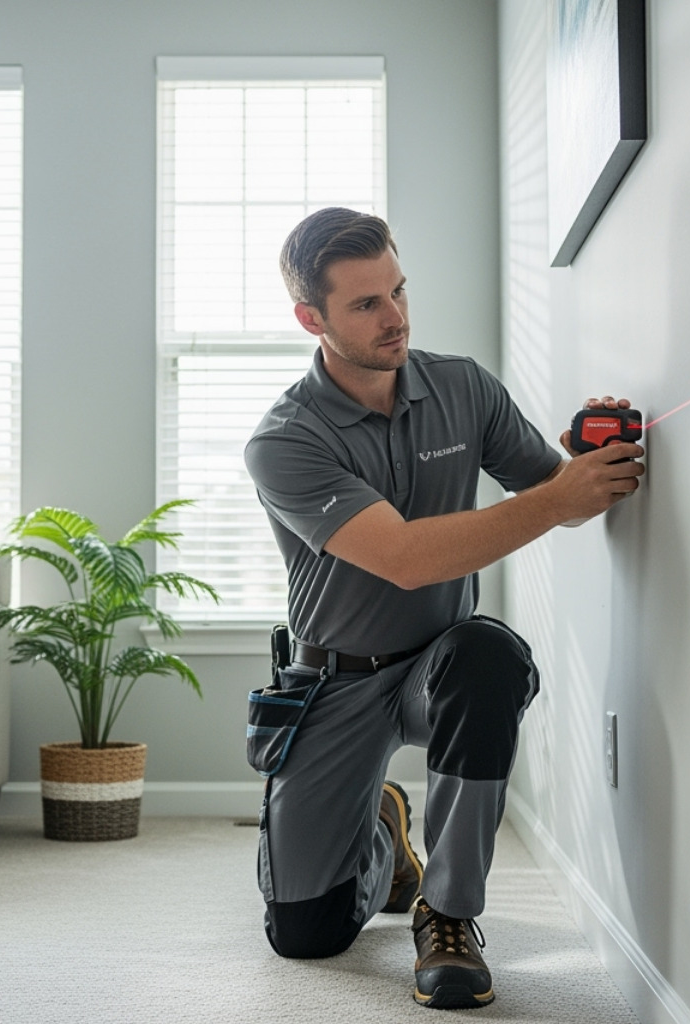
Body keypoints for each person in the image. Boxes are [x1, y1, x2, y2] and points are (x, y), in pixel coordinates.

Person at [242, 207, 644, 1009]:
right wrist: (560, 495)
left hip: (440, 666)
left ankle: (449, 913)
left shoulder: (463, 386)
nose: (395, 317)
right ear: (310, 319)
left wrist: (587, 467)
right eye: (365, 304)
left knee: (489, 654)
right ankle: (385, 832)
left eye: (397, 290)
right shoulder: (285, 439)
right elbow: (404, 559)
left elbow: (552, 496)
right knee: (306, 934)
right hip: (336, 682)